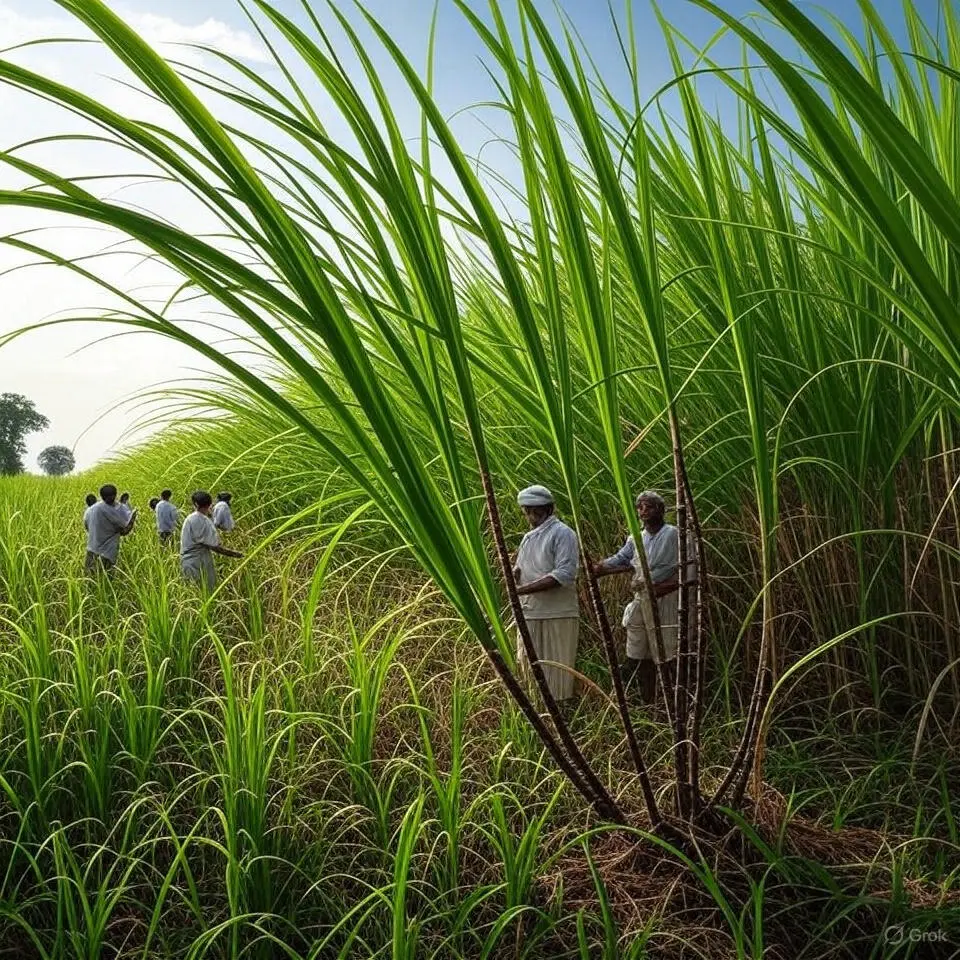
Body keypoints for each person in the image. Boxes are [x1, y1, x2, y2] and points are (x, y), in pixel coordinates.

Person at [593, 491, 698, 704]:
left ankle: (677, 702)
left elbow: (689, 573)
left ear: (661, 510)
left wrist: (662, 588)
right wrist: (599, 568)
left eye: (648, 507)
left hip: (669, 601)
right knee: (639, 651)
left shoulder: (677, 536)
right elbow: (623, 559)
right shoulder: (636, 538)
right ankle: (646, 700)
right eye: (640, 507)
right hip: (643, 599)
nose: (643, 511)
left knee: (670, 650)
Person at [512, 484, 580, 703]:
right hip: (529, 611)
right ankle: (535, 712)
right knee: (528, 667)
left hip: (556, 612)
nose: (532, 516)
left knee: (556, 670)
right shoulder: (528, 538)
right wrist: (513, 575)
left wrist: (522, 590)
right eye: (528, 511)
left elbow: (565, 573)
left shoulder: (563, 534)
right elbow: (522, 570)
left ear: (549, 509)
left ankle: (561, 714)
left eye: (536, 510)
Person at [180, 490, 242, 590]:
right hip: (201, 561)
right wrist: (235, 554)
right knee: (207, 590)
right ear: (210, 504)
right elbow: (215, 547)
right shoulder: (205, 522)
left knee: (192, 592)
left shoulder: (190, 518)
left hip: (188, 561)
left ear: (195, 504)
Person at [84, 483, 136, 574]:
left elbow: (86, 527)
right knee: (105, 579)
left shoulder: (90, 510)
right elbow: (124, 531)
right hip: (106, 552)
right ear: (115, 495)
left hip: (91, 549)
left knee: (89, 579)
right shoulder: (111, 510)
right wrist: (133, 518)